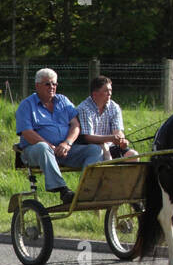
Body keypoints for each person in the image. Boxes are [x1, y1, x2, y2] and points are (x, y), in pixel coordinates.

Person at [15, 68, 105, 203]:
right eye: (47, 84)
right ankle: (63, 190)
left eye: (54, 84)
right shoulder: (26, 105)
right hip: (36, 151)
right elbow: (27, 133)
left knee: (95, 150)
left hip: (64, 150)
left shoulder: (63, 101)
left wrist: (67, 143)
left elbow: (75, 125)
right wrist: (49, 145)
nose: (52, 87)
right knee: (42, 148)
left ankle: (85, 191)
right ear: (37, 86)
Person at [76, 75, 138, 160]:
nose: (110, 93)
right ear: (95, 94)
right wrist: (110, 138)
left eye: (110, 90)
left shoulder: (114, 107)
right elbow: (88, 137)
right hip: (90, 147)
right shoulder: (84, 109)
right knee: (105, 150)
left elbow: (117, 131)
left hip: (110, 146)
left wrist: (121, 139)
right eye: (106, 91)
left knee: (133, 155)